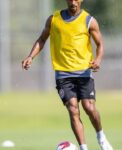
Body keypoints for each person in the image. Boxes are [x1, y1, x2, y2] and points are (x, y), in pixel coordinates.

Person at [22, 0, 113, 150]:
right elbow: (42, 39)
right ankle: (83, 147)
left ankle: (101, 136)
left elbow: (100, 44)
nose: (73, 2)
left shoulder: (89, 20)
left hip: (84, 72)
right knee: (72, 109)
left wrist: (97, 59)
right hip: (63, 74)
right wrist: (30, 56)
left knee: (89, 107)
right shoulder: (54, 19)